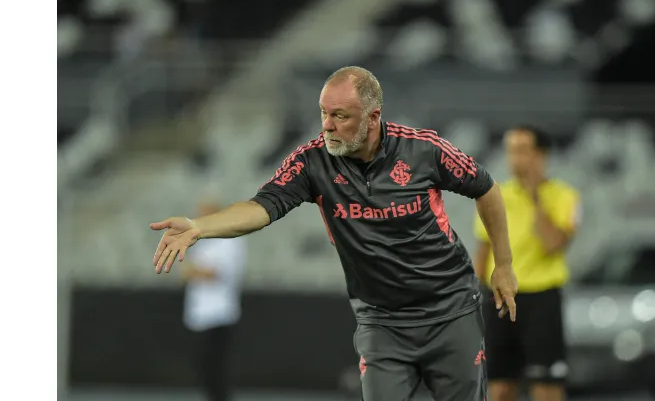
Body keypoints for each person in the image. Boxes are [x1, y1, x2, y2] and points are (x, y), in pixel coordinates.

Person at [151, 66, 518, 401]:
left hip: (449, 309)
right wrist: (201, 226)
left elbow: (486, 188)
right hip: (382, 321)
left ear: (373, 118)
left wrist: (503, 263)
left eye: (340, 116)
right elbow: (261, 208)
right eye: (324, 113)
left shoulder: (423, 150)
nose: (327, 125)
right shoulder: (312, 163)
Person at [473, 126, 581, 401]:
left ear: (540, 155)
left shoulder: (564, 196)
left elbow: (553, 243)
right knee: (498, 387)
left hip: (542, 299)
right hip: (498, 299)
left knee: (547, 387)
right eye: (511, 151)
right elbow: (483, 250)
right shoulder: (494, 195)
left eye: (522, 151)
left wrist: (535, 197)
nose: (514, 159)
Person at [181, 196, 247, 401]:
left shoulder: (231, 239)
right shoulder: (202, 240)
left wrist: (195, 272)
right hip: (200, 314)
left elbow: (215, 273)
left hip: (219, 314)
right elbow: (187, 271)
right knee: (204, 369)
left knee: (216, 369)